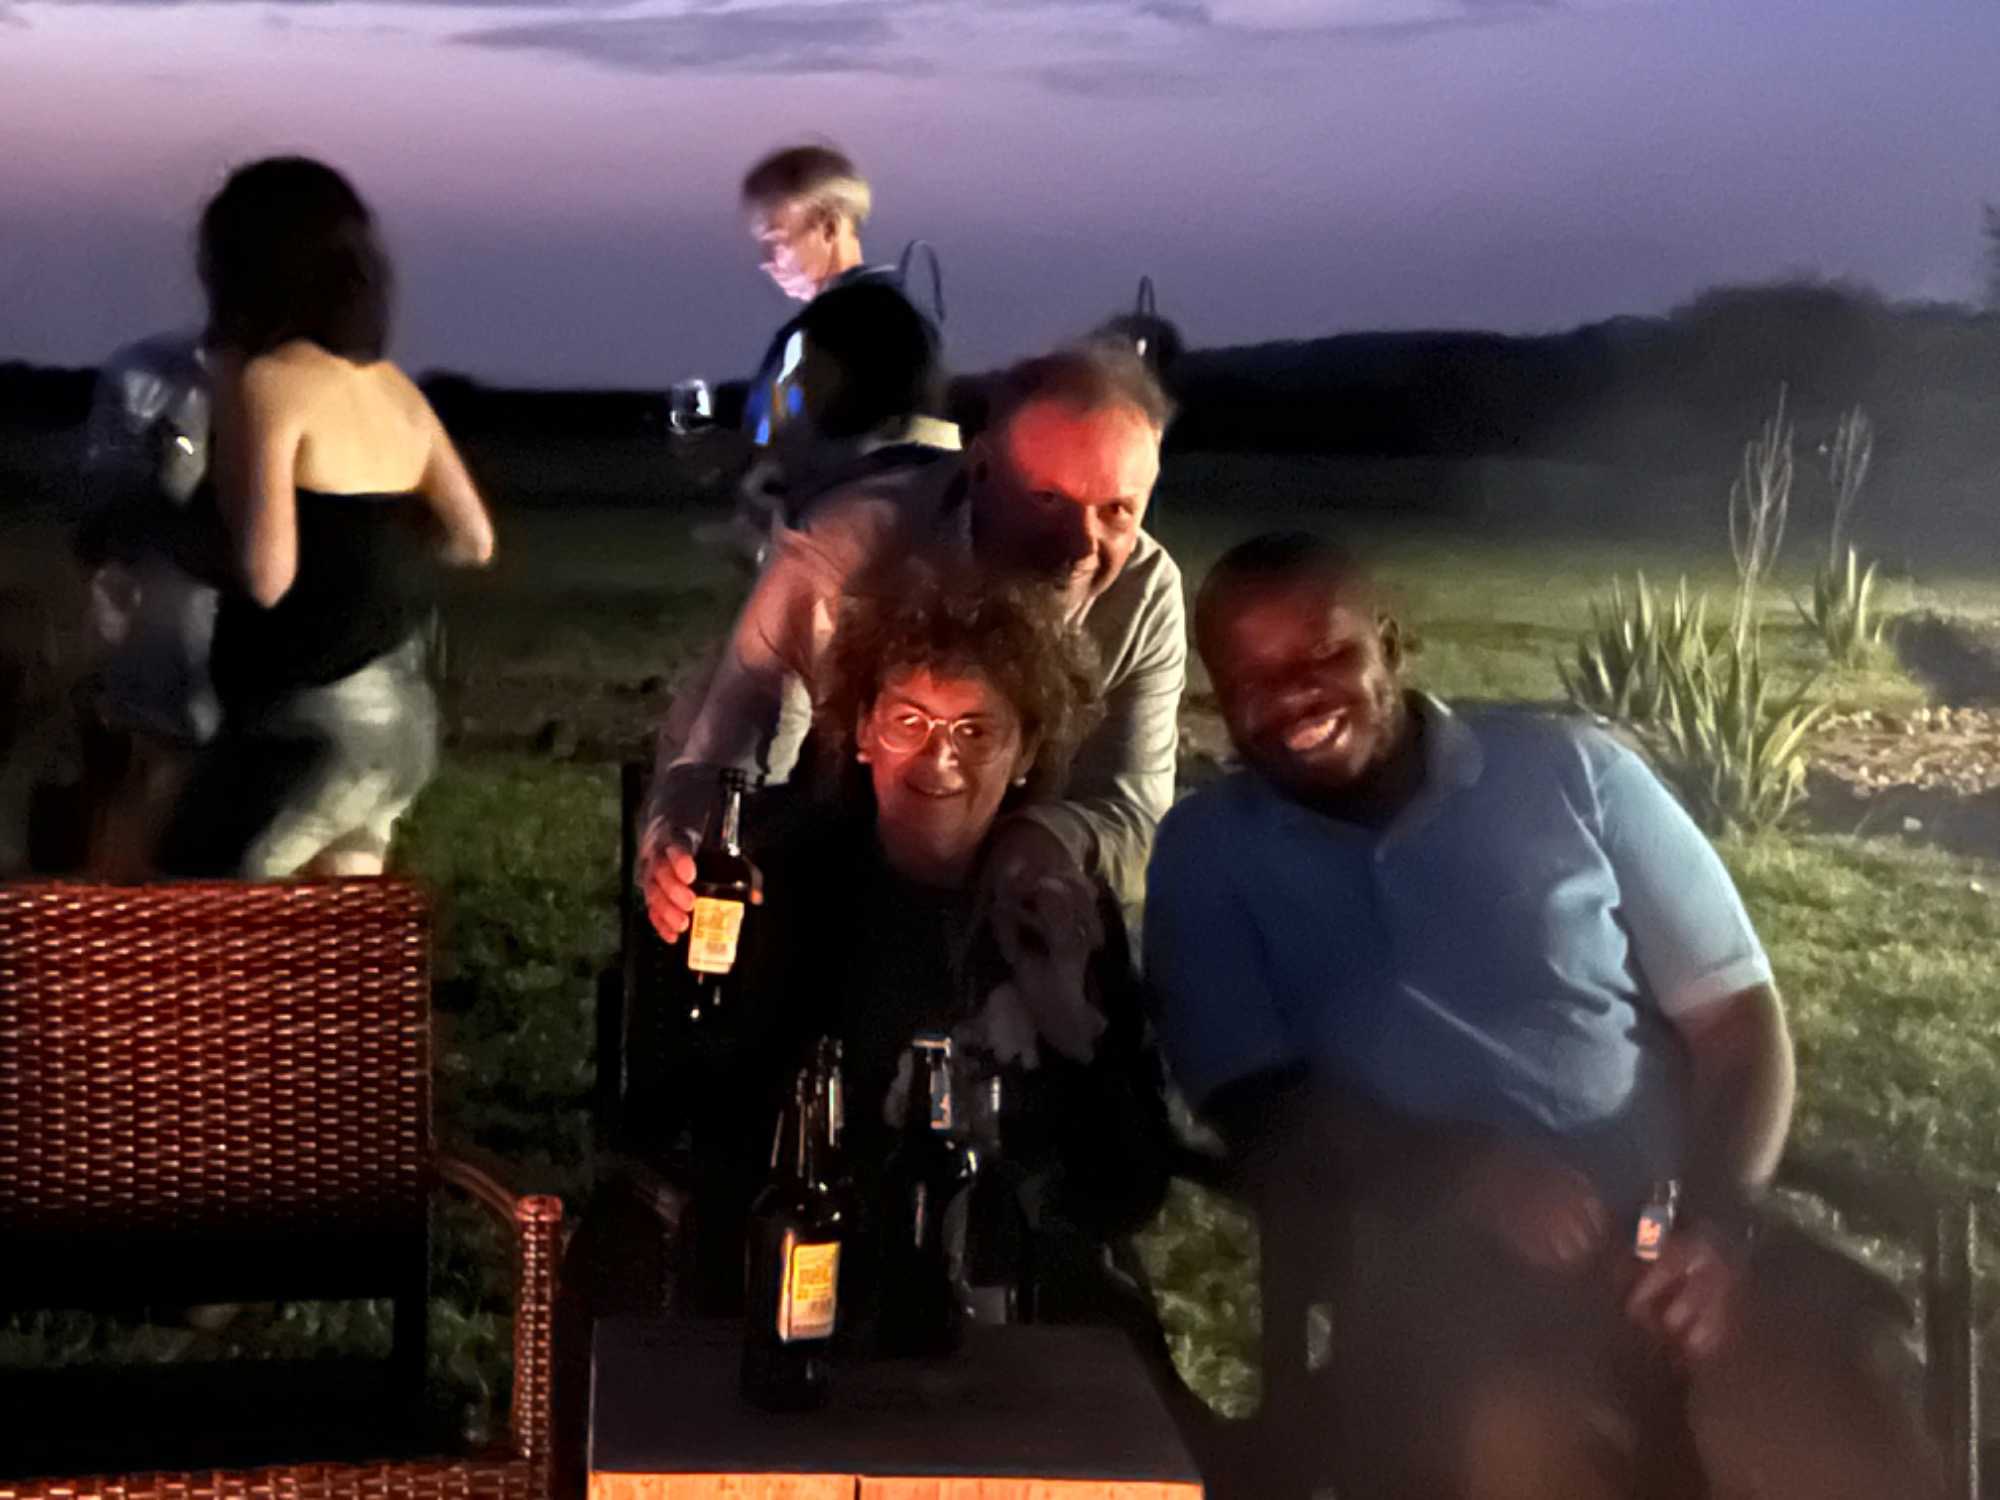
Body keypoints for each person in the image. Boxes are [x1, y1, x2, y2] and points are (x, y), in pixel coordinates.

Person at [1145, 531, 1943, 1500]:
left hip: (1665, 1219)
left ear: (1389, 643)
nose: (1294, 696)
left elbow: (1735, 1020)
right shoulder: (1210, 853)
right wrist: (1462, 1172)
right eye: (1252, 678)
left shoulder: (1568, 772)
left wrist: (1712, 1218)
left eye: (1325, 654)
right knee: (1522, 1432)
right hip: (1441, 1267)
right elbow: (1251, 1101)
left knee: (1807, 1403)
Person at [637, 570, 1169, 1319]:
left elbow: (1131, 1191)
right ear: (863, 732)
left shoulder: (1064, 910)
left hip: (1023, 1302)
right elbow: (691, 1128)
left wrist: (1070, 1024)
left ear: (1026, 752)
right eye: (909, 722)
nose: (938, 759)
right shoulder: (781, 883)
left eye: (975, 731)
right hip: (826, 1288)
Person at [641, 342, 1185, 968]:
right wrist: (691, 837)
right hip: (829, 818)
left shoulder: (1146, 594)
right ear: (982, 469)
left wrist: (1048, 840)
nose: (1082, 545)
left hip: (1011, 865)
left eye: (1117, 511)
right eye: (1047, 500)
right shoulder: (852, 545)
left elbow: (1134, 810)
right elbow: (738, 731)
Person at [157, 156, 494, 879]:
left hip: (303, 726)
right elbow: (472, 540)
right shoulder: (395, 389)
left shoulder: (269, 383)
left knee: (199, 913)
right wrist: (370, 541)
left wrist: (169, 529)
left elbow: (267, 574)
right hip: (401, 724)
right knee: (340, 940)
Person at [727, 144, 944, 559]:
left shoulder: (835, 326)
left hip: (835, 552)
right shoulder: (906, 318)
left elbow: (784, 445)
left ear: (829, 227)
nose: (766, 261)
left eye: (776, 241)